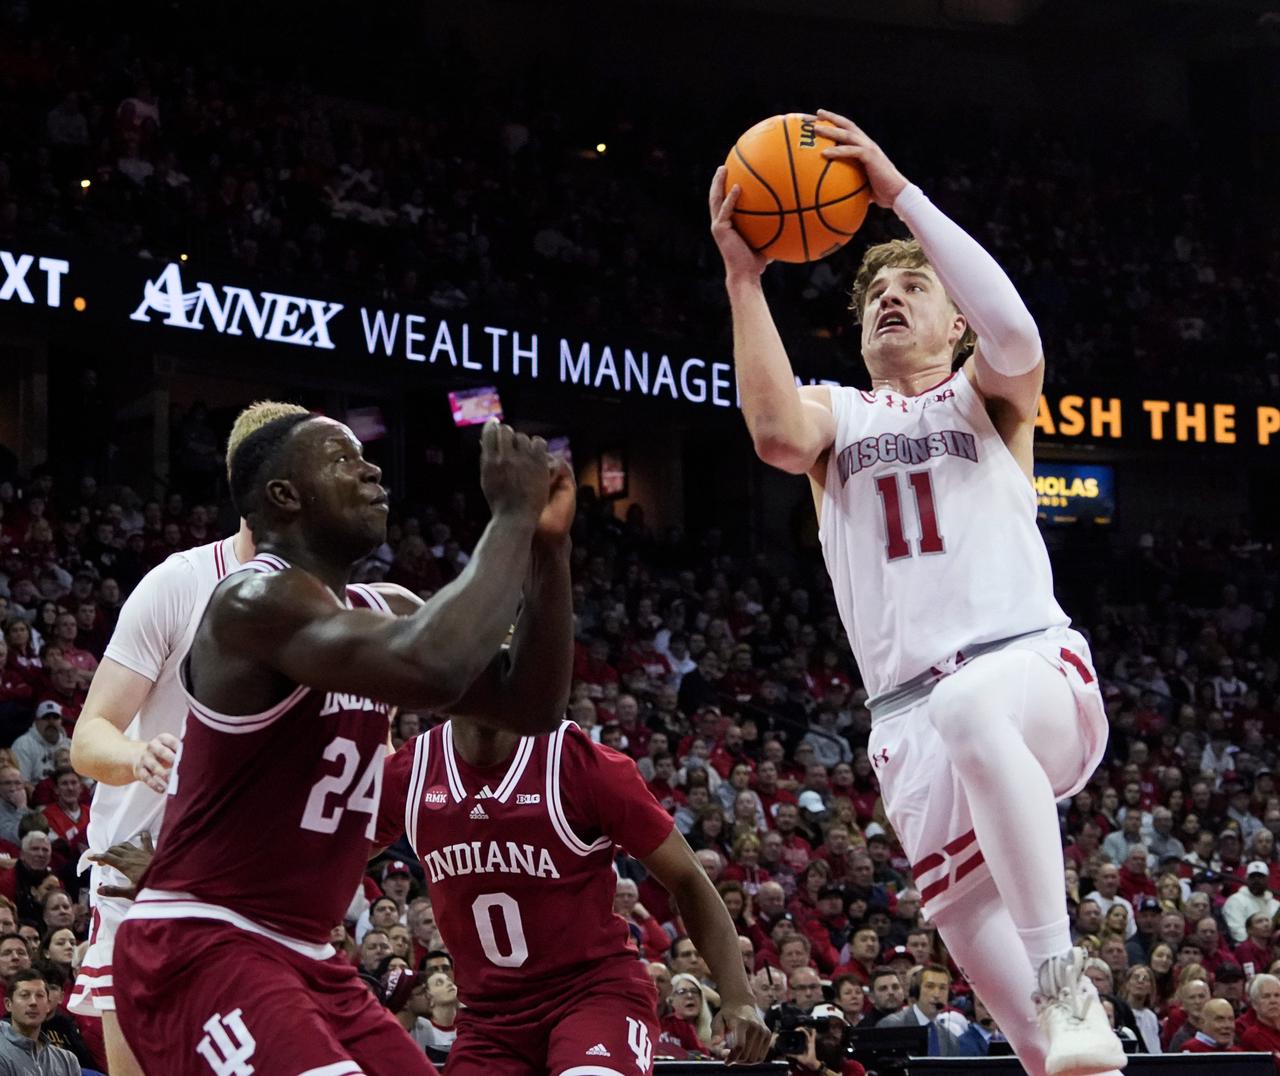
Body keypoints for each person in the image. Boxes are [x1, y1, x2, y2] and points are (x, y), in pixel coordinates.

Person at [710, 108, 1118, 1076]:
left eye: (911, 287)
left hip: (1026, 672)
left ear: (952, 320)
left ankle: (1066, 972)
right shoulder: (835, 415)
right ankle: (1063, 1019)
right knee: (1051, 1057)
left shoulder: (985, 398)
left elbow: (1014, 332)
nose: (888, 300)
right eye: (872, 295)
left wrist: (895, 195)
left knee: (973, 702)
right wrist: (741, 272)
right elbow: (769, 429)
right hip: (906, 734)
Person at [111, 414, 571, 1076]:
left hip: (307, 955)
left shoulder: (383, 606)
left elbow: (531, 705)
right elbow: (432, 667)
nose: (373, 470)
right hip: (202, 940)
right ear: (285, 497)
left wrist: (546, 549)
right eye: (343, 459)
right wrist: (507, 518)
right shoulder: (251, 599)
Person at [67, 400, 319, 1074]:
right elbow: (88, 739)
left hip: (254, 887)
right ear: (273, 485)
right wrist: (139, 757)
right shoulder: (178, 584)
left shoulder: (328, 607)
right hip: (143, 874)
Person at [375, 702, 771, 1074]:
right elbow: (331, 849)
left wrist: (738, 996)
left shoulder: (580, 763)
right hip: (488, 1019)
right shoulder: (412, 771)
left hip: (594, 997)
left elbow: (687, 878)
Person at [0, 968, 80, 1074]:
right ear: (8, 1004)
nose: (33, 1002)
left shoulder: (67, 1060)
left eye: (40, 996)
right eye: (25, 995)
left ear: (48, 1005)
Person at [876, 963, 967, 1056]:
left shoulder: (950, 1039)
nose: (936, 994)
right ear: (916, 991)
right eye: (930, 986)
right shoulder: (892, 1026)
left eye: (942, 988)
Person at [1222, 861, 1279, 943]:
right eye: (1253, 877)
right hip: (1246, 949)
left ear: (1267, 879)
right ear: (1246, 878)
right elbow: (1238, 933)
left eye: (1260, 877)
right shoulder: (1235, 901)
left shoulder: (1275, 904)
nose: (1256, 880)